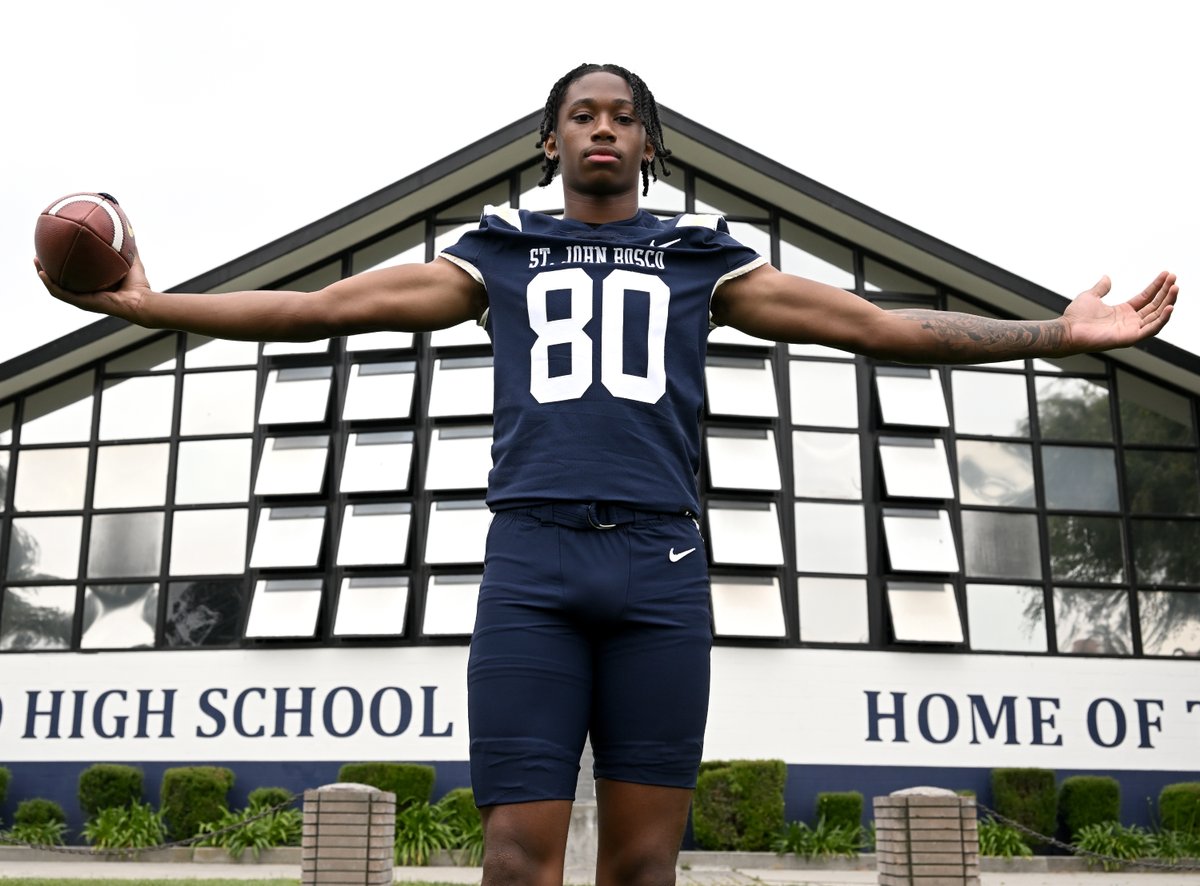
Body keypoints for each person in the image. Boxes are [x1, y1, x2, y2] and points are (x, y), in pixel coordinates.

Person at [38, 62, 1179, 886]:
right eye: (582, 113)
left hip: (661, 563)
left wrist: (1053, 335)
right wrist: (146, 303)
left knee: (642, 862)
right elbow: (322, 309)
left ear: (647, 145)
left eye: (623, 116)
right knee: (516, 856)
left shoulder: (702, 255)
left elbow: (870, 324)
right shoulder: (497, 252)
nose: (602, 128)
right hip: (532, 556)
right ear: (551, 141)